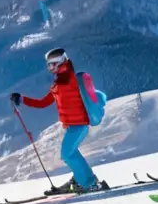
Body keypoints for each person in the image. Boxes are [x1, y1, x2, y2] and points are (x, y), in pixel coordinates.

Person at [10, 48, 108, 195]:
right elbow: (42, 103)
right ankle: (86, 180)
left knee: (67, 154)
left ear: (62, 62)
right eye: (48, 65)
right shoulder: (58, 84)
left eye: (53, 64)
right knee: (71, 153)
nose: (50, 68)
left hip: (79, 125)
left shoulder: (72, 80)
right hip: (73, 126)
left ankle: (89, 183)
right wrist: (22, 99)